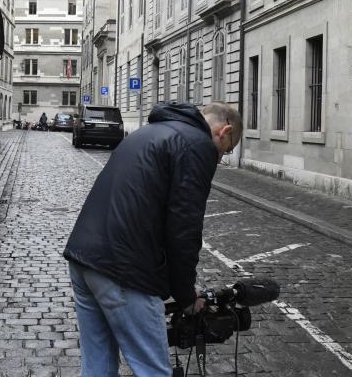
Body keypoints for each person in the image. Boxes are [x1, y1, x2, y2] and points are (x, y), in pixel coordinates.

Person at [63, 101, 241, 376]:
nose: (220, 159)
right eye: (226, 150)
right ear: (224, 131)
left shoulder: (148, 132)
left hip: (83, 257)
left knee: (97, 368)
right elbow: (184, 228)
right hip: (124, 269)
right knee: (153, 371)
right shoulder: (198, 144)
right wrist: (186, 296)